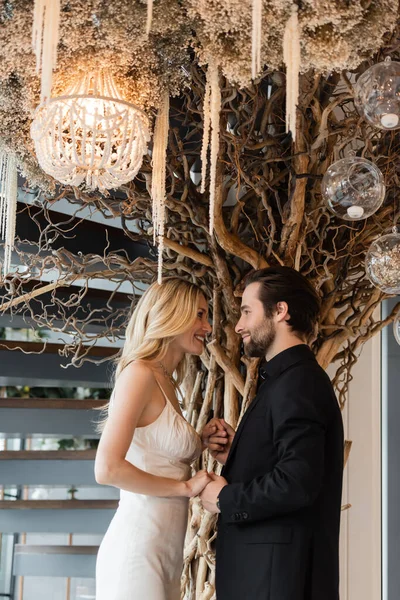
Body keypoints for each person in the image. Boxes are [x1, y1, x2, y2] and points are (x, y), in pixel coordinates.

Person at [201, 266, 344, 600]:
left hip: (276, 582)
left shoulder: (299, 382)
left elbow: (297, 482)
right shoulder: (286, 380)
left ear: (280, 311)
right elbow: (291, 464)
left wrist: (225, 499)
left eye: (248, 312)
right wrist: (242, 452)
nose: (239, 326)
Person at [95, 277, 212, 600]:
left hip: (164, 551)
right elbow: (107, 469)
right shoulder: (140, 374)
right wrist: (185, 488)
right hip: (137, 551)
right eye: (200, 315)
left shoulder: (167, 381)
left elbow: (156, 451)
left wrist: (200, 441)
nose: (209, 326)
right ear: (173, 314)